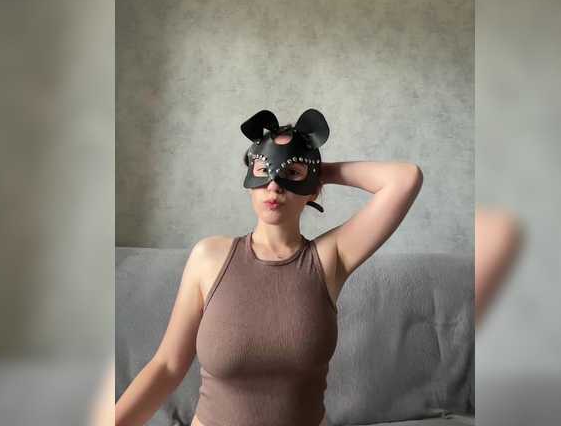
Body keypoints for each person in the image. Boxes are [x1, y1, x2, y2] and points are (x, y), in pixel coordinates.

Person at [115, 109, 423, 426]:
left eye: (291, 174)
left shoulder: (329, 258)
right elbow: (167, 366)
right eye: (264, 169)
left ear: (314, 189)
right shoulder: (209, 257)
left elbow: (405, 179)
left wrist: (320, 171)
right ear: (250, 181)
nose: (274, 185)